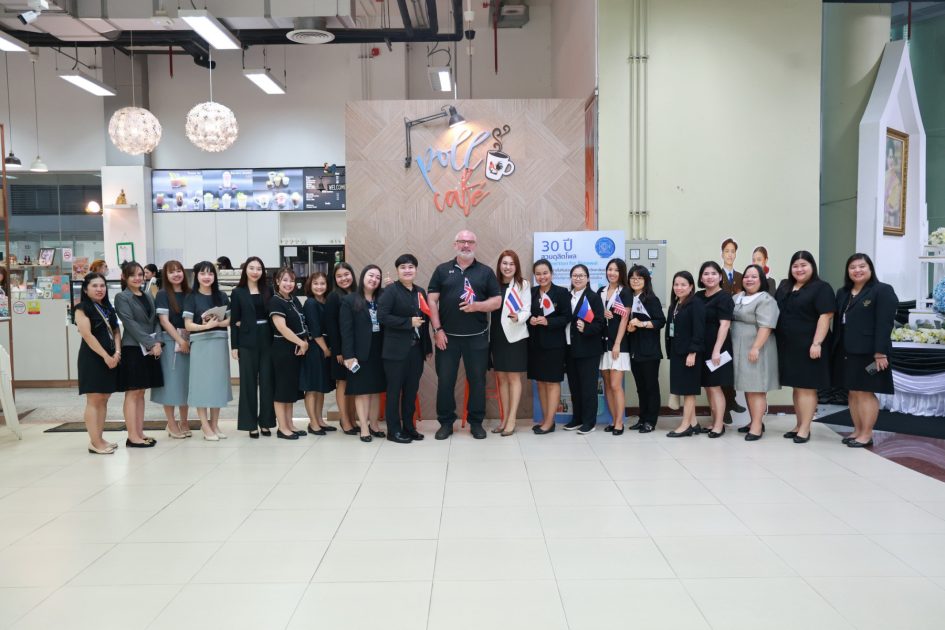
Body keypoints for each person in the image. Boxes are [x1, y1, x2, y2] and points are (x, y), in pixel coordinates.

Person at [427, 230, 502, 440]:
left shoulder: (486, 272)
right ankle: (446, 423)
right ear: (455, 244)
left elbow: (497, 301)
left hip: (477, 337)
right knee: (445, 381)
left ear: (475, 245)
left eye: (470, 242)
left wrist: (477, 306)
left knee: (477, 381)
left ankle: (476, 423)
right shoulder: (442, 270)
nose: (466, 245)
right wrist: (437, 330)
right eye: (462, 241)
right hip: (447, 338)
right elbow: (431, 300)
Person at [832, 253, 898, 448]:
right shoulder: (843, 292)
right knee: (853, 392)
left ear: (870, 269)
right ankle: (857, 430)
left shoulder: (882, 290)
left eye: (862, 266)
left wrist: (880, 352)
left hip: (871, 354)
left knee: (865, 392)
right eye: (853, 267)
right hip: (846, 351)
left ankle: (866, 434)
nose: (857, 270)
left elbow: (885, 324)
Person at [775, 251, 834, 443]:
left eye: (803, 265)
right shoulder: (785, 286)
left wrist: (817, 343)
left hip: (809, 346)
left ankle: (805, 428)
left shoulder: (821, 288)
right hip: (788, 346)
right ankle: (799, 424)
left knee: (807, 388)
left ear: (812, 267)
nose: (799, 269)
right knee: (797, 387)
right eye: (795, 266)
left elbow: (825, 316)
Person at [378, 254, 433, 443]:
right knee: (394, 392)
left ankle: (409, 427)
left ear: (416, 270)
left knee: (411, 391)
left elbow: (425, 321)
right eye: (403, 267)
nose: (407, 270)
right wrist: (407, 322)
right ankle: (393, 431)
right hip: (395, 352)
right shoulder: (391, 291)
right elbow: (382, 317)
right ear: (397, 271)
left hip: (416, 350)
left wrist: (427, 347)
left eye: (410, 267)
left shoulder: (420, 291)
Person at [114, 262, 163, 448]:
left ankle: (140, 433)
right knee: (133, 392)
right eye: (133, 275)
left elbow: (156, 320)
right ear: (124, 278)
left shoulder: (148, 295)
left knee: (141, 392)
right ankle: (132, 436)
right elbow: (130, 324)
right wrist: (151, 343)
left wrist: (158, 342)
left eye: (140, 274)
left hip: (150, 348)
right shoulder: (122, 297)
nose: (137, 278)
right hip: (133, 348)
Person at [183, 261, 232, 440]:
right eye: (203, 273)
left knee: (218, 384)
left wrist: (217, 323)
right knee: (201, 385)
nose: (207, 277)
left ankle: (214, 424)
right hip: (200, 344)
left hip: (219, 343)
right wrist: (205, 326)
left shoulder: (222, 296)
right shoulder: (191, 297)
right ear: (196, 276)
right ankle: (205, 426)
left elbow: (230, 320)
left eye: (210, 273)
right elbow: (188, 325)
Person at [731, 264, 780, 441]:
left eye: (754, 277)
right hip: (740, 348)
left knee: (757, 388)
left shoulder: (766, 299)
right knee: (748, 385)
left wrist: (755, 347)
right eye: (746, 276)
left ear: (761, 280)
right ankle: (754, 421)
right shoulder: (737, 297)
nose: (749, 280)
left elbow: (766, 326)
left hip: (757, 348)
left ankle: (757, 426)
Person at [74, 273, 122, 454]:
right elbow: (87, 335)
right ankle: (94, 442)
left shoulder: (108, 307)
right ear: (86, 289)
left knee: (104, 398)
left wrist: (117, 353)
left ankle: (99, 438)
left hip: (111, 357)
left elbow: (116, 331)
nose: (99, 289)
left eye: (102, 285)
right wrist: (105, 356)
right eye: (95, 286)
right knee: (94, 399)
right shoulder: (82, 308)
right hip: (93, 358)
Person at [230, 257, 276, 438]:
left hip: (267, 338)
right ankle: (250, 424)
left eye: (259, 268)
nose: (255, 271)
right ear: (245, 270)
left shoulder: (269, 290)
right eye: (252, 268)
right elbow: (234, 321)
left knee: (267, 382)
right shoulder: (237, 292)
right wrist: (234, 346)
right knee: (248, 383)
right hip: (246, 340)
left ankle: (266, 422)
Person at [341, 265, 387, 442]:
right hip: (359, 353)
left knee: (376, 390)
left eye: (377, 277)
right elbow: (346, 331)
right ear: (362, 277)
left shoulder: (382, 298)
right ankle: (364, 428)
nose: (374, 279)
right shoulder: (350, 300)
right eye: (371, 275)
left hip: (380, 351)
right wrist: (348, 355)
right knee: (362, 391)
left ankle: (374, 425)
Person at [528, 259, 572, 434]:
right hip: (535, 344)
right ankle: (546, 419)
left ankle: (549, 421)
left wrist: (548, 321)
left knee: (552, 382)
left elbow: (567, 317)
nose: (542, 277)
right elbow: (525, 312)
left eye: (545, 273)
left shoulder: (561, 292)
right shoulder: (531, 292)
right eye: (538, 274)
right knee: (540, 382)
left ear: (551, 274)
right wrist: (530, 319)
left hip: (554, 345)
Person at [490, 250, 530, 436]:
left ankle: (512, 420)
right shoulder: (492, 284)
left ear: (516, 266)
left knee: (513, 377)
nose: (507, 267)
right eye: (504, 263)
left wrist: (518, 317)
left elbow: (526, 309)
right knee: (502, 378)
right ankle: (504, 419)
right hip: (497, 336)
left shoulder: (523, 284)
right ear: (499, 265)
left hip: (515, 335)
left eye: (511, 264)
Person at [150, 260, 192, 439]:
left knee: (185, 384)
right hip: (171, 341)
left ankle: (184, 421)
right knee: (171, 384)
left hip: (189, 341)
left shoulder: (190, 293)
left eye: (179, 270)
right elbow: (164, 321)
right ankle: (171, 423)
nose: (176, 274)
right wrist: (180, 340)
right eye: (171, 272)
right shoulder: (162, 294)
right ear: (165, 275)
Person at [563, 264, 605, 434]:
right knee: (574, 386)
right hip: (569, 348)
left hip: (588, 350)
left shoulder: (593, 298)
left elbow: (600, 324)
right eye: (575, 275)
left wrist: (586, 328)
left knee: (588, 388)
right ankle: (577, 418)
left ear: (587, 278)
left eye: (581, 275)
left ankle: (589, 422)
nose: (578, 278)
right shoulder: (567, 296)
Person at [269, 267, 309, 440]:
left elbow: (302, 323)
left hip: (296, 350)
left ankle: (290, 424)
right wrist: (301, 342)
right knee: (282, 390)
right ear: (277, 281)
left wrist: (304, 342)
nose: (288, 283)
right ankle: (282, 428)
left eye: (292, 280)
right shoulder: (275, 301)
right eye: (285, 280)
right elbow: (282, 328)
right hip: (282, 351)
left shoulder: (294, 300)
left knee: (290, 390)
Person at [697, 261, 735, 438]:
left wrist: (716, 350)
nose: (709, 277)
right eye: (706, 273)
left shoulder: (724, 297)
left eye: (713, 273)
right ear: (701, 278)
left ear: (720, 277)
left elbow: (725, 325)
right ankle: (714, 421)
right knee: (708, 386)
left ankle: (719, 425)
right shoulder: (698, 296)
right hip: (701, 347)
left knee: (715, 386)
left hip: (717, 348)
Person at [626, 265, 665, 433]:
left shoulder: (651, 299)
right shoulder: (628, 299)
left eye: (639, 278)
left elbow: (660, 321)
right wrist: (629, 328)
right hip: (634, 350)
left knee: (650, 387)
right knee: (640, 387)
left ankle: (651, 420)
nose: (635, 281)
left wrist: (641, 324)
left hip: (649, 351)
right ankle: (642, 418)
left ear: (646, 280)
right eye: (632, 278)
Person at [666, 271, 705, 437]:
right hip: (677, 352)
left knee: (689, 391)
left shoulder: (696, 304)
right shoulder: (675, 305)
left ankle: (685, 425)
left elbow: (699, 330)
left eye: (683, 284)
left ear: (691, 287)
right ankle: (694, 423)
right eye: (676, 284)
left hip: (689, 353)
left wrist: (693, 352)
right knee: (682, 388)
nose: (679, 287)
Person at [300, 272, 336, 435]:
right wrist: (326, 349)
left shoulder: (326, 301)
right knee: (312, 388)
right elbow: (315, 331)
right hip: (316, 349)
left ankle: (320, 420)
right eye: (316, 283)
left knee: (320, 387)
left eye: (322, 283)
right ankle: (313, 423)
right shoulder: (310, 303)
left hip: (324, 348)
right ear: (310, 285)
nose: (319, 287)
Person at [324, 262, 359, 434]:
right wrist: (338, 351)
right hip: (341, 351)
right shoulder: (333, 297)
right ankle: (344, 420)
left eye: (346, 274)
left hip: (355, 349)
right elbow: (331, 326)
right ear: (334, 279)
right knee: (343, 383)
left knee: (353, 384)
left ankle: (352, 418)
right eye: (339, 276)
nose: (343, 278)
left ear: (352, 275)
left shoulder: (358, 294)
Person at [598, 258, 632, 434]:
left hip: (618, 344)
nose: (612, 273)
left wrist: (617, 343)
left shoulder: (625, 292)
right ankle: (613, 420)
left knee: (615, 385)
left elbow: (624, 319)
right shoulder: (601, 291)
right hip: (602, 344)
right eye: (609, 269)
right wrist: (601, 312)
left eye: (616, 270)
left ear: (621, 273)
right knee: (607, 384)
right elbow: (595, 314)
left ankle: (620, 422)